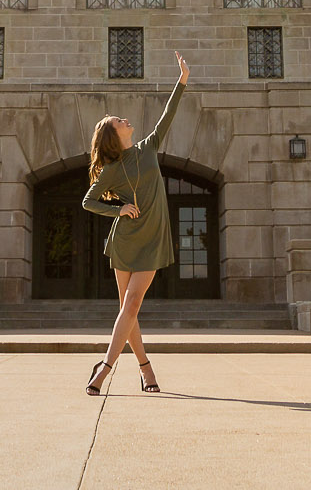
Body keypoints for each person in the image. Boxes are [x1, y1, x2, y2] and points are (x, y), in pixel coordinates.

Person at [80, 52, 189, 394]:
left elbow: (168, 114)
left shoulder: (148, 146)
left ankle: (104, 368)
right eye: (119, 120)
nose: (126, 120)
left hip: (153, 237)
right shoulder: (112, 170)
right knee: (129, 310)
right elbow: (88, 201)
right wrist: (120, 210)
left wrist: (182, 78)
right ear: (114, 135)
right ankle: (147, 370)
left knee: (131, 306)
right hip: (126, 240)